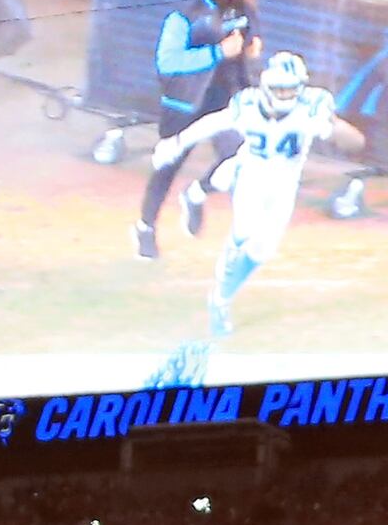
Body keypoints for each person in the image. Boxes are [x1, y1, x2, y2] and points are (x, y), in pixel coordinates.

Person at [140, 55, 367, 338]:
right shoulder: (248, 104)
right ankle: (220, 300)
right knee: (243, 232)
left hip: (285, 184)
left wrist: (333, 127)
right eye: (280, 89)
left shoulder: (313, 105)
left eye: (291, 89)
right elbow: (213, 123)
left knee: (262, 250)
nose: (285, 95)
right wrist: (177, 142)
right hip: (252, 175)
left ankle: (205, 189)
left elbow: (357, 142)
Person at [123, 0, 257, 239]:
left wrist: (250, 47)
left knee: (240, 157)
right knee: (167, 166)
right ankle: (145, 227)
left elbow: (246, 37)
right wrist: (216, 53)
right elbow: (168, 63)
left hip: (226, 100)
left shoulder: (243, 6)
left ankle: (197, 193)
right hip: (185, 103)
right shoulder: (184, 14)